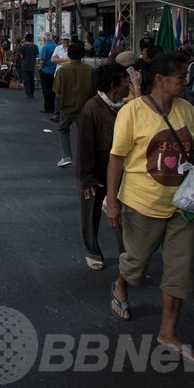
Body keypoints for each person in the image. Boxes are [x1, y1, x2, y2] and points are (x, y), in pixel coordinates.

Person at [105, 52, 194, 360]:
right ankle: (122, 283)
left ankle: (168, 333)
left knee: (179, 271)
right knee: (136, 265)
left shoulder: (187, 110)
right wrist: (112, 202)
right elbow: (116, 158)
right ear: (160, 80)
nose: (185, 82)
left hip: (183, 205)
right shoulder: (132, 112)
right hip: (141, 204)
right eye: (180, 77)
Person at [75, 65, 129, 271]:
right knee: (91, 214)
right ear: (113, 86)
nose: (128, 84)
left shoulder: (126, 107)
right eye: (125, 80)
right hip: (95, 172)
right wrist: (87, 177)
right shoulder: (92, 108)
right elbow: (84, 146)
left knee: (122, 215)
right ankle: (92, 251)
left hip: (120, 172)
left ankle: (128, 258)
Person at [54, 41, 95, 168]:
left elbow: (58, 92)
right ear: (83, 55)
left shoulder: (62, 71)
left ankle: (66, 156)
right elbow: (96, 90)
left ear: (69, 55)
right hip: (86, 107)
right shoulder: (91, 70)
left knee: (63, 129)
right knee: (84, 132)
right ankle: (85, 158)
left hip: (67, 107)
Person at [39, 33, 59, 119]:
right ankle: (54, 107)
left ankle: (47, 107)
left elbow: (42, 60)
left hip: (46, 71)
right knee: (54, 90)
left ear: (45, 39)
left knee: (46, 90)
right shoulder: (56, 46)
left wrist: (41, 68)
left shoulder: (45, 47)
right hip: (55, 71)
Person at [19, 33, 40, 100]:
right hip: (32, 65)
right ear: (32, 39)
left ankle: (28, 94)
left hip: (25, 65)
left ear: (25, 38)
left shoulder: (23, 47)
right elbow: (37, 55)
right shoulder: (35, 46)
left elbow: (22, 56)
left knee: (26, 80)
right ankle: (32, 93)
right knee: (31, 80)